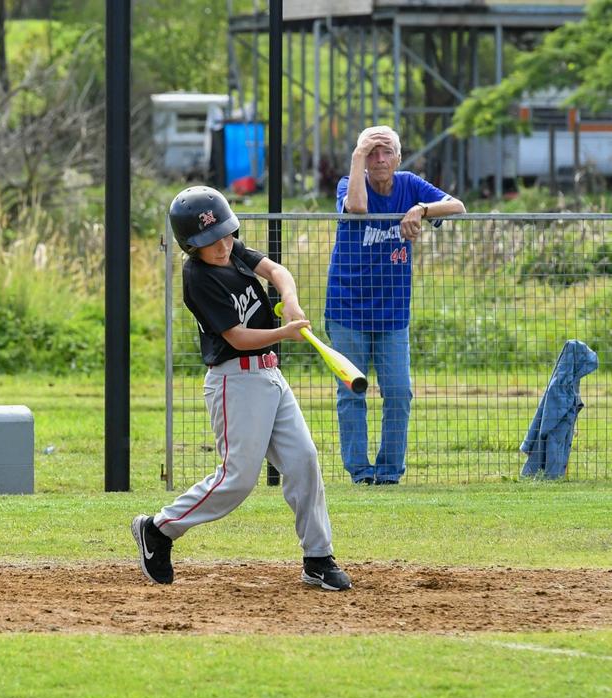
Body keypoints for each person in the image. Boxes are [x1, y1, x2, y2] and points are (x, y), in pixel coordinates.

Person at [131, 186, 352, 591]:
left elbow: (276, 271)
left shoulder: (232, 248)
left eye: (226, 235)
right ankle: (159, 529)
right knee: (237, 479)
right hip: (235, 380)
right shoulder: (197, 277)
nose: (222, 246)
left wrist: (291, 299)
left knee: (304, 460)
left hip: (270, 376)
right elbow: (236, 337)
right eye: (210, 242)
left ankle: (318, 557)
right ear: (190, 245)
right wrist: (285, 331)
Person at [328, 126, 466, 485]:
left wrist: (420, 209)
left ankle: (389, 473)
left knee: (399, 393)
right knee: (351, 391)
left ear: (399, 158)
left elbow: (458, 206)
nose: (379, 159)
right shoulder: (349, 184)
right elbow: (357, 208)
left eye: (385, 151)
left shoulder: (409, 185)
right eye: (371, 153)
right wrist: (357, 157)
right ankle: (360, 473)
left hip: (392, 312)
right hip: (348, 308)